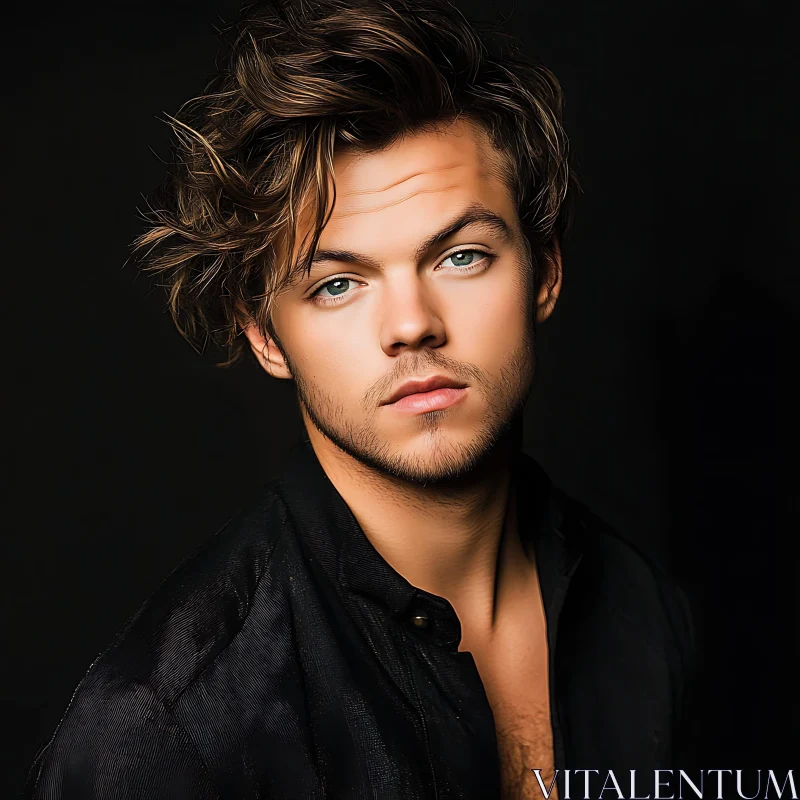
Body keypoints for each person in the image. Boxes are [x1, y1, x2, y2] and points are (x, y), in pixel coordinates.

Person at [24, 0, 696, 797]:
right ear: (266, 338)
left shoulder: (645, 612)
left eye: (462, 257)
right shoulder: (166, 733)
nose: (412, 325)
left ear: (544, 273)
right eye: (338, 284)